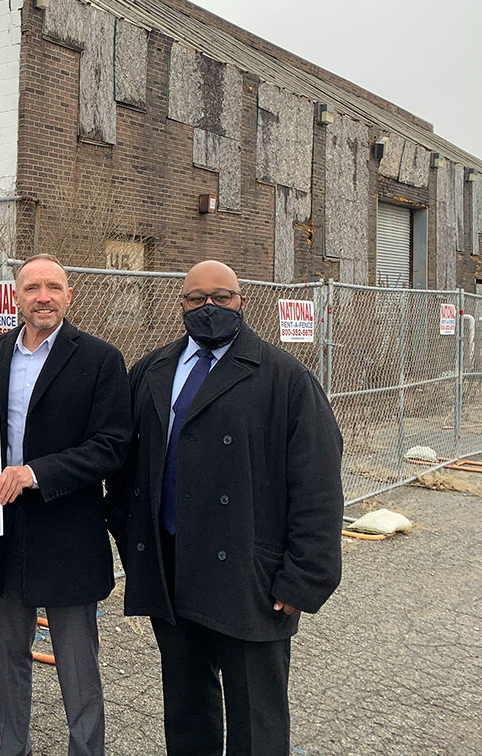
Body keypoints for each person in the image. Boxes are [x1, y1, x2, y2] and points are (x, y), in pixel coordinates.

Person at [106, 259, 343, 756]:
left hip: (249, 574)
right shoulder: (153, 368)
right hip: (172, 567)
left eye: (222, 297)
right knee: (188, 712)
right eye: (197, 299)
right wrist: (133, 542)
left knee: (257, 720)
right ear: (181, 305)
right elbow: (124, 464)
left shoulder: (285, 377)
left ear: (242, 301)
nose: (209, 307)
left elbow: (318, 483)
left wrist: (305, 576)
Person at [0, 253, 131, 756]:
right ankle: (12, 749)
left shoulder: (101, 359)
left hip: (68, 531)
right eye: (32, 288)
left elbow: (111, 445)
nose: (43, 296)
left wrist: (36, 474)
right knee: (10, 657)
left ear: (69, 295)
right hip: (7, 528)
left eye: (53, 287)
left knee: (77, 665)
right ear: (16, 297)